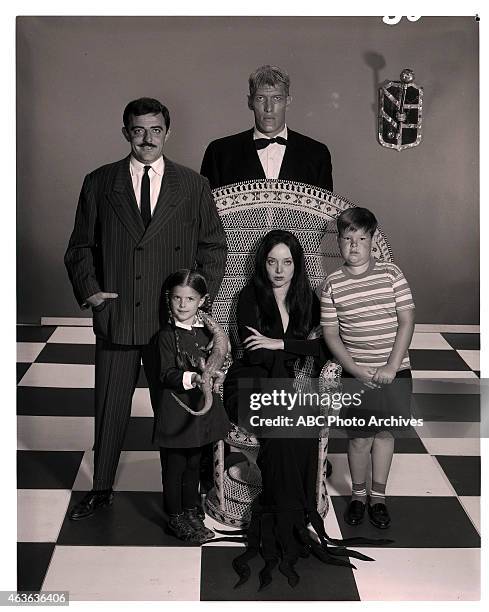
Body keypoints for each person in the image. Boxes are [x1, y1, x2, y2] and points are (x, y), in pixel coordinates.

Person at [64, 97, 227, 520]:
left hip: (171, 324)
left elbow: (212, 246)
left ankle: (179, 498)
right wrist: (92, 293)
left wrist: (195, 300)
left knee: (175, 410)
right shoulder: (100, 182)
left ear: (167, 133)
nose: (147, 138)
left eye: (155, 130)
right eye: (138, 130)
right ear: (125, 133)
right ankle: (101, 488)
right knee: (109, 409)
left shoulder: (192, 185)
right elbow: (79, 247)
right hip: (118, 316)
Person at [224, 230, 347, 587]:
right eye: (272, 261)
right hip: (247, 383)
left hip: (285, 385)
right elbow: (255, 353)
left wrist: (278, 342)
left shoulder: (307, 297)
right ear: (263, 263)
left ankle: (286, 517)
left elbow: (325, 349)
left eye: (287, 261)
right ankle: (287, 520)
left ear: (297, 265)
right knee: (286, 424)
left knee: (296, 428)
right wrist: (292, 348)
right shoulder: (250, 295)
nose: (279, 269)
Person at [321, 207, 415, 529]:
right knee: (360, 437)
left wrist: (390, 365)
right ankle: (358, 495)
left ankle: (379, 496)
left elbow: (406, 320)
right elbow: (331, 334)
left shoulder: (391, 274)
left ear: (372, 241)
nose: (355, 246)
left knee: (385, 434)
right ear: (339, 242)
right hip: (356, 373)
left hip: (394, 370)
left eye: (362, 238)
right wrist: (355, 370)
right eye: (347, 239)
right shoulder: (332, 284)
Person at [155, 269, 231, 543]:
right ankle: (175, 516)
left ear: (202, 301)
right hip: (177, 413)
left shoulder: (204, 333)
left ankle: (190, 510)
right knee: (174, 468)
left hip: (200, 416)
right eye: (177, 298)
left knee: (193, 464)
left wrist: (215, 374)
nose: (183, 304)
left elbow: (215, 361)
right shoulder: (165, 336)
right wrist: (193, 377)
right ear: (170, 299)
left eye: (189, 299)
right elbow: (166, 374)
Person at [200, 64, 333, 191]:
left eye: (276, 98)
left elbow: (324, 213)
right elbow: (206, 211)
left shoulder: (317, 154)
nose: (268, 108)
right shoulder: (219, 153)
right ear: (250, 102)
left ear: (287, 101)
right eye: (260, 98)